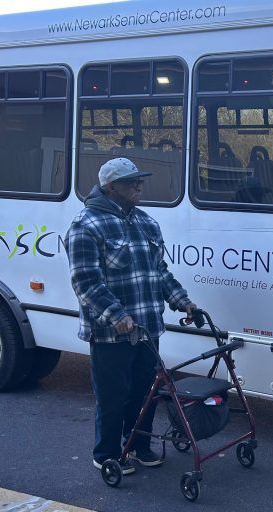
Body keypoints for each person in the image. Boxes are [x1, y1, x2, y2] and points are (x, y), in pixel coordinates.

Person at [65, 157, 197, 475]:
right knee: (113, 396)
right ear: (110, 187)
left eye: (139, 180)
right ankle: (107, 454)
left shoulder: (147, 223)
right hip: (112, 333)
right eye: (130, 182)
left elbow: (159, 272)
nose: (139, 186)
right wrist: (116, 314)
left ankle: (137, 446)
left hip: (148, 327)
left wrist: (184, 302)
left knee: (145, 392)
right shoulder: (86, 225)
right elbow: (85, 282)